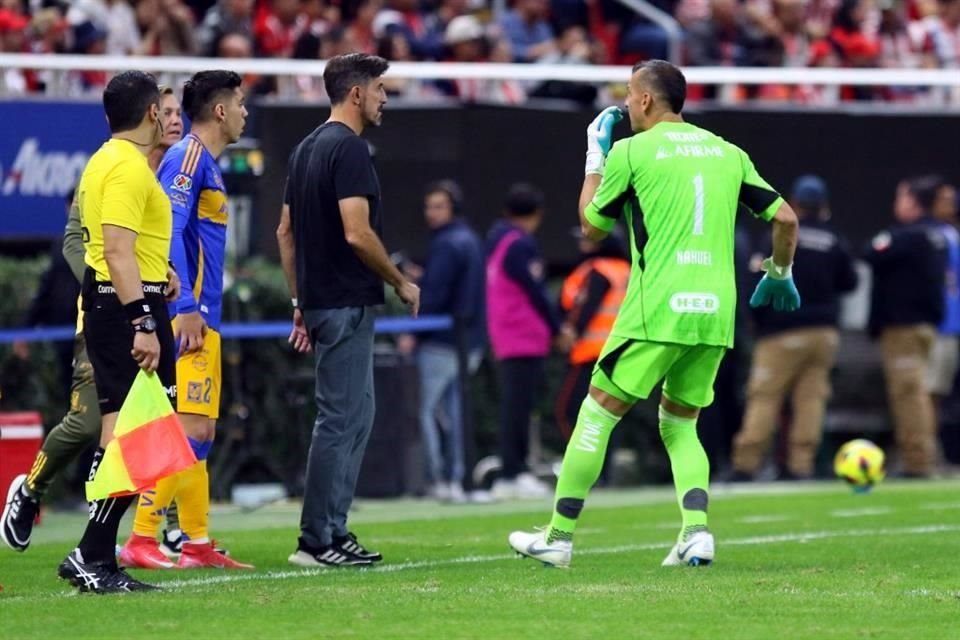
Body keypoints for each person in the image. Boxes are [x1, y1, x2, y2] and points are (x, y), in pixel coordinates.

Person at [509, 60, 799, 569]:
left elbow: (591, 227)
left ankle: (558, 536)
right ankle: (696, 531)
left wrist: (593, 158)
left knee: (596, 412)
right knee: (681, 422)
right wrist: (778, 272)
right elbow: (785, 218)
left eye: (628, 94)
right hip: (714, 315)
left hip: (657, 309)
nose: (624, 103)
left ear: (645, 100)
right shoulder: (728, 152)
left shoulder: (630, 151)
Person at [1, 86, 184, 556]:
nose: (174, 120)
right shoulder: (116, 166)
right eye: (166, 111)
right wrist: (122, 295)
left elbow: (133, 246)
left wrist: (156, 273)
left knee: (134, 429)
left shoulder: (155, 172)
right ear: (149, 115)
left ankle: (100, 547)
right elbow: (85, 244)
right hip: (110, 314)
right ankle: (39, 496)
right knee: (98, 426)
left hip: (129, 303)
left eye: (178, 112)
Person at [277, 53, 419, 567]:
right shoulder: (351, 150)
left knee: (355, 416)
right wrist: (399, 280)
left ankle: (333, 530)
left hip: (322, 302)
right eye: (379, 89)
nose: (384, 98)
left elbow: (285, 232)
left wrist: (299, 301)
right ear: (356, 94)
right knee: (341, 419)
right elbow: (356, 232)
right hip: (345, 301)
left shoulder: (305, 149)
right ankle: (317, 540)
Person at [118, 71, 253, 571]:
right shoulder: (188, 157)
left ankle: (195, 542)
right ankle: (141, 537)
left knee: (202, 433)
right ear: (220, 110)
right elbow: (167, 230)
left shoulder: (206, 164)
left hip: (204, 316)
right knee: (187, 432)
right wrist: (185, 308)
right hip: (189, 317)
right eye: (239, 103)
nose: (244, 112)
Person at [58, 71, 179, 593]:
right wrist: (144, 321)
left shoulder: (102, 161)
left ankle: (96, 556)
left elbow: (117, 248)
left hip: (114, 300)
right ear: (152, 111)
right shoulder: (128, 168)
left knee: (120, 433)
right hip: (126, 307)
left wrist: (159, 272)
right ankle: (91, 552)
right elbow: (115, 251)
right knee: (141, 434)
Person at [731, 175, 859, 481]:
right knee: (811, 400)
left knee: (764, 397)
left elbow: (755, 280)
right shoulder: (834, 239)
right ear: (823, 205)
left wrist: (757, 322)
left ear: (795, 203)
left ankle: (746, 464)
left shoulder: (778, 234)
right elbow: (850, 282)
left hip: (781, 331)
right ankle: (801, 466)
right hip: (822, 333)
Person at [865, 177, 947, 478]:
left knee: (908, 395)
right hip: (924, 327)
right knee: (919, 393)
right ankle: (925, 456)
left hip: (904, 328)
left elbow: (871, 251)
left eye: (901, 197)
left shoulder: (907, 236)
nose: (896, 204)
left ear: (913, 202)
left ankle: (918, 462)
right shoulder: (936, 235)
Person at [411, 180, 485, 503]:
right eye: (429, 206)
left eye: (439, 206)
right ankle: (459, 479)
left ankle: (439, 478)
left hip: (441, 341)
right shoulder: (469, 239)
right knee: (456, 413)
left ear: (453, 208)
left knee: (425, 411)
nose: (432, 213)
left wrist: (413, 333)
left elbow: (436, 295)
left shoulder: (447, 243)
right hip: (469, 341)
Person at [486, 183, 558, 500]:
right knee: (519, 406)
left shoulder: (496, 240)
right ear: (537, 214)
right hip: (523, 334)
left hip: (506, 332)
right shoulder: (520, 244)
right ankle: (513, 472)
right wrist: (558, 328)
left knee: (514, 405)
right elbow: (537, 291)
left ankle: (513, 470)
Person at [554, 229, 630, 485]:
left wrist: (570, 333)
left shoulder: (599, 270)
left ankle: (583, 469)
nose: (583, 242)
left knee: (567, 411)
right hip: (620, 353)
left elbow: (585, 307)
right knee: (607, 416)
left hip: (589, 353)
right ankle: (603, 474)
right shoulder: (627, 270)